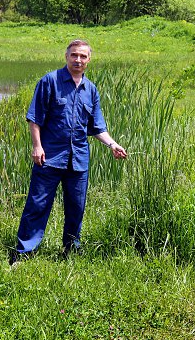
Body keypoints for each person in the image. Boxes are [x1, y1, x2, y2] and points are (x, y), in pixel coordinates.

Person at [11, 39, 127, 264]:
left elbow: (97, 127)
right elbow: (35, 118)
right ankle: (24, 253)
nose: (78, 60)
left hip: (79, 160)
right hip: (49, 158)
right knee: (37, 205)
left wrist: (112, 144)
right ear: (66, 56)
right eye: (74, 55)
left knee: (76, 208)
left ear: (89, 60)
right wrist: (37, 146)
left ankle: (70, 250)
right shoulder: (50, 81)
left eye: (83, 56)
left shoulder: (91, 90)